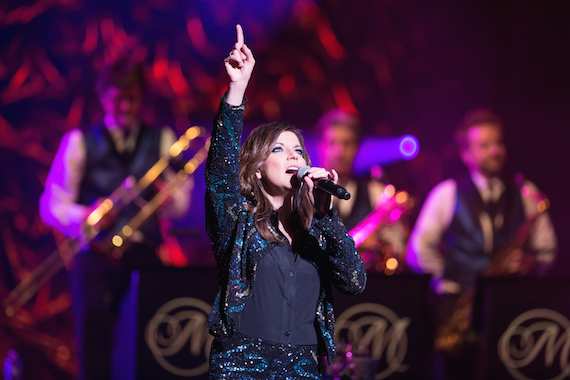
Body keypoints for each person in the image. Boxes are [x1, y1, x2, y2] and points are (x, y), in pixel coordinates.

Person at [205, 25, 367, 379]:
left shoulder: (316, 232)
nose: (294, 156)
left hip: (304, 369)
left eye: (298, 149)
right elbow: (220, 171)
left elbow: (354, 281)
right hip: (242, 366)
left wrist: (325, 216)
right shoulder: (238, 222)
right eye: (279, 149)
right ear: (258, 169)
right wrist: (237, 90)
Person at [39, 57, 191, 380]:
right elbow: (51, 204)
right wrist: (87, 216)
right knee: (95, 357)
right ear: (103, 95)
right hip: (95, 261)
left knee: (149, 353)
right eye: (118, 98)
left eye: (133, 98)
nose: (126, 106)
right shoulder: (79, 141)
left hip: (146, 258)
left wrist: (170, 197)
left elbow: (180, 207)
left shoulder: (161, 139)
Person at [405, 108, 557, 379]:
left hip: (509, 307)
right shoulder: (447, 193)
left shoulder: (526, 193)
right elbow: (419, 251)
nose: (495, 151)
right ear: (466, 154)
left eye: (498, 143)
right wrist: (447, 283)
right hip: (458, 307)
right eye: (485, 145)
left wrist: (532, 263)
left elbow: (548, 249)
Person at [315, 109, 409, 273]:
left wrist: (380, 246)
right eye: (332, 143)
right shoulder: (299, 194)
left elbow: (397, 249)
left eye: (347, 143)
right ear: (320, 146)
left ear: (357, 147)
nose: (339, 152)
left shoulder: (376, 192)